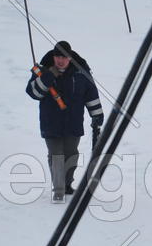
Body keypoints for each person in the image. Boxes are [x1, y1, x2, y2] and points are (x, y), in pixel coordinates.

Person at [26, 41, 104, 202]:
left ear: (70, 58)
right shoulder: (43, 71)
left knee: (71, 155)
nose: (60, 60)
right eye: (57, 57)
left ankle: (67, 185)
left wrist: (97, 116)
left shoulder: (81, 73)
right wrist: (48, 77)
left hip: (73, 122)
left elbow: (91, 95)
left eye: (64, 57)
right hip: (51, 122)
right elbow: (34, 93)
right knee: (56, 155)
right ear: (53, 57)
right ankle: (59, 190)